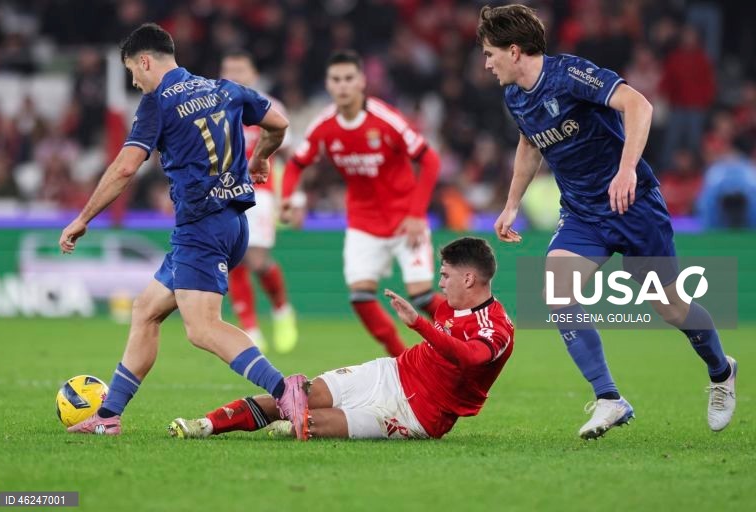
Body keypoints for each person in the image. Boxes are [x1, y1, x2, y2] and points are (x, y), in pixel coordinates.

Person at [478, 4, 736, 439]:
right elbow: (529, 143)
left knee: (670, 307)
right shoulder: (515, 96)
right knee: (558, 294)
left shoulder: (570, 74)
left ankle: (721, 370)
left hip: (632, 205)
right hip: (583, 213)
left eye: (490, 53)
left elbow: (639, 106)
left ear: (515, 50)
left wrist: (626, 168)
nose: (486, 63)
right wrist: (511, 203)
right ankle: (609, 398)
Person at [57, 23, 307, 436]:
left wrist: (83, 218)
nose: (135, 82)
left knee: (202, 328)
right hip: (233, 221)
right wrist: (261, 158)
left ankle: (286, 390)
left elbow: (124, 168)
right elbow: (277, 123)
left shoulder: (158, 103)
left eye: (132, 72)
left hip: (201, 226)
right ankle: (107, 417)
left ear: (145, 60)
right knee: (147, 310)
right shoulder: (224, 89)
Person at [167, 237, 514, 440]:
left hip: (419, 414)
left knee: (307, 424)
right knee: (298, 395)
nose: (440, 283)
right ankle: (205, 425)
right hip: (390, 372)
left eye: (446, 275)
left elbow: (470, 357)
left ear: (469, 279)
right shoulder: (448, 306)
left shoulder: (498, 328)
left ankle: (287, 426)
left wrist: (418, 326)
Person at [280, 49, 445, 357]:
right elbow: (296, 164)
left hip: (404, 219)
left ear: (362, 82)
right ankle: (402, 358)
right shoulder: (324, 126)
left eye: (348, 78)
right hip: (363, 223)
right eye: (336, 79)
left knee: (422, 297)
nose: (342, 85)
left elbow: (430, 160)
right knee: (360, 295)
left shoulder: (386, 119)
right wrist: (290, 197)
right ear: (328, 85)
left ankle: (462, 342)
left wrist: (417, 214)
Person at [220, 50, 298, 354]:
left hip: (259, 192)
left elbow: (291, 155)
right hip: (222, 191)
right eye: (228, 69)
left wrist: (295, 196)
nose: (234, 74)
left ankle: (281, 309)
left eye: (240, 69)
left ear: (253, 74)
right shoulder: (212, 103)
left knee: (256, 259)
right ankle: (250, 329)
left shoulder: (268, 106)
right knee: (233, 259)